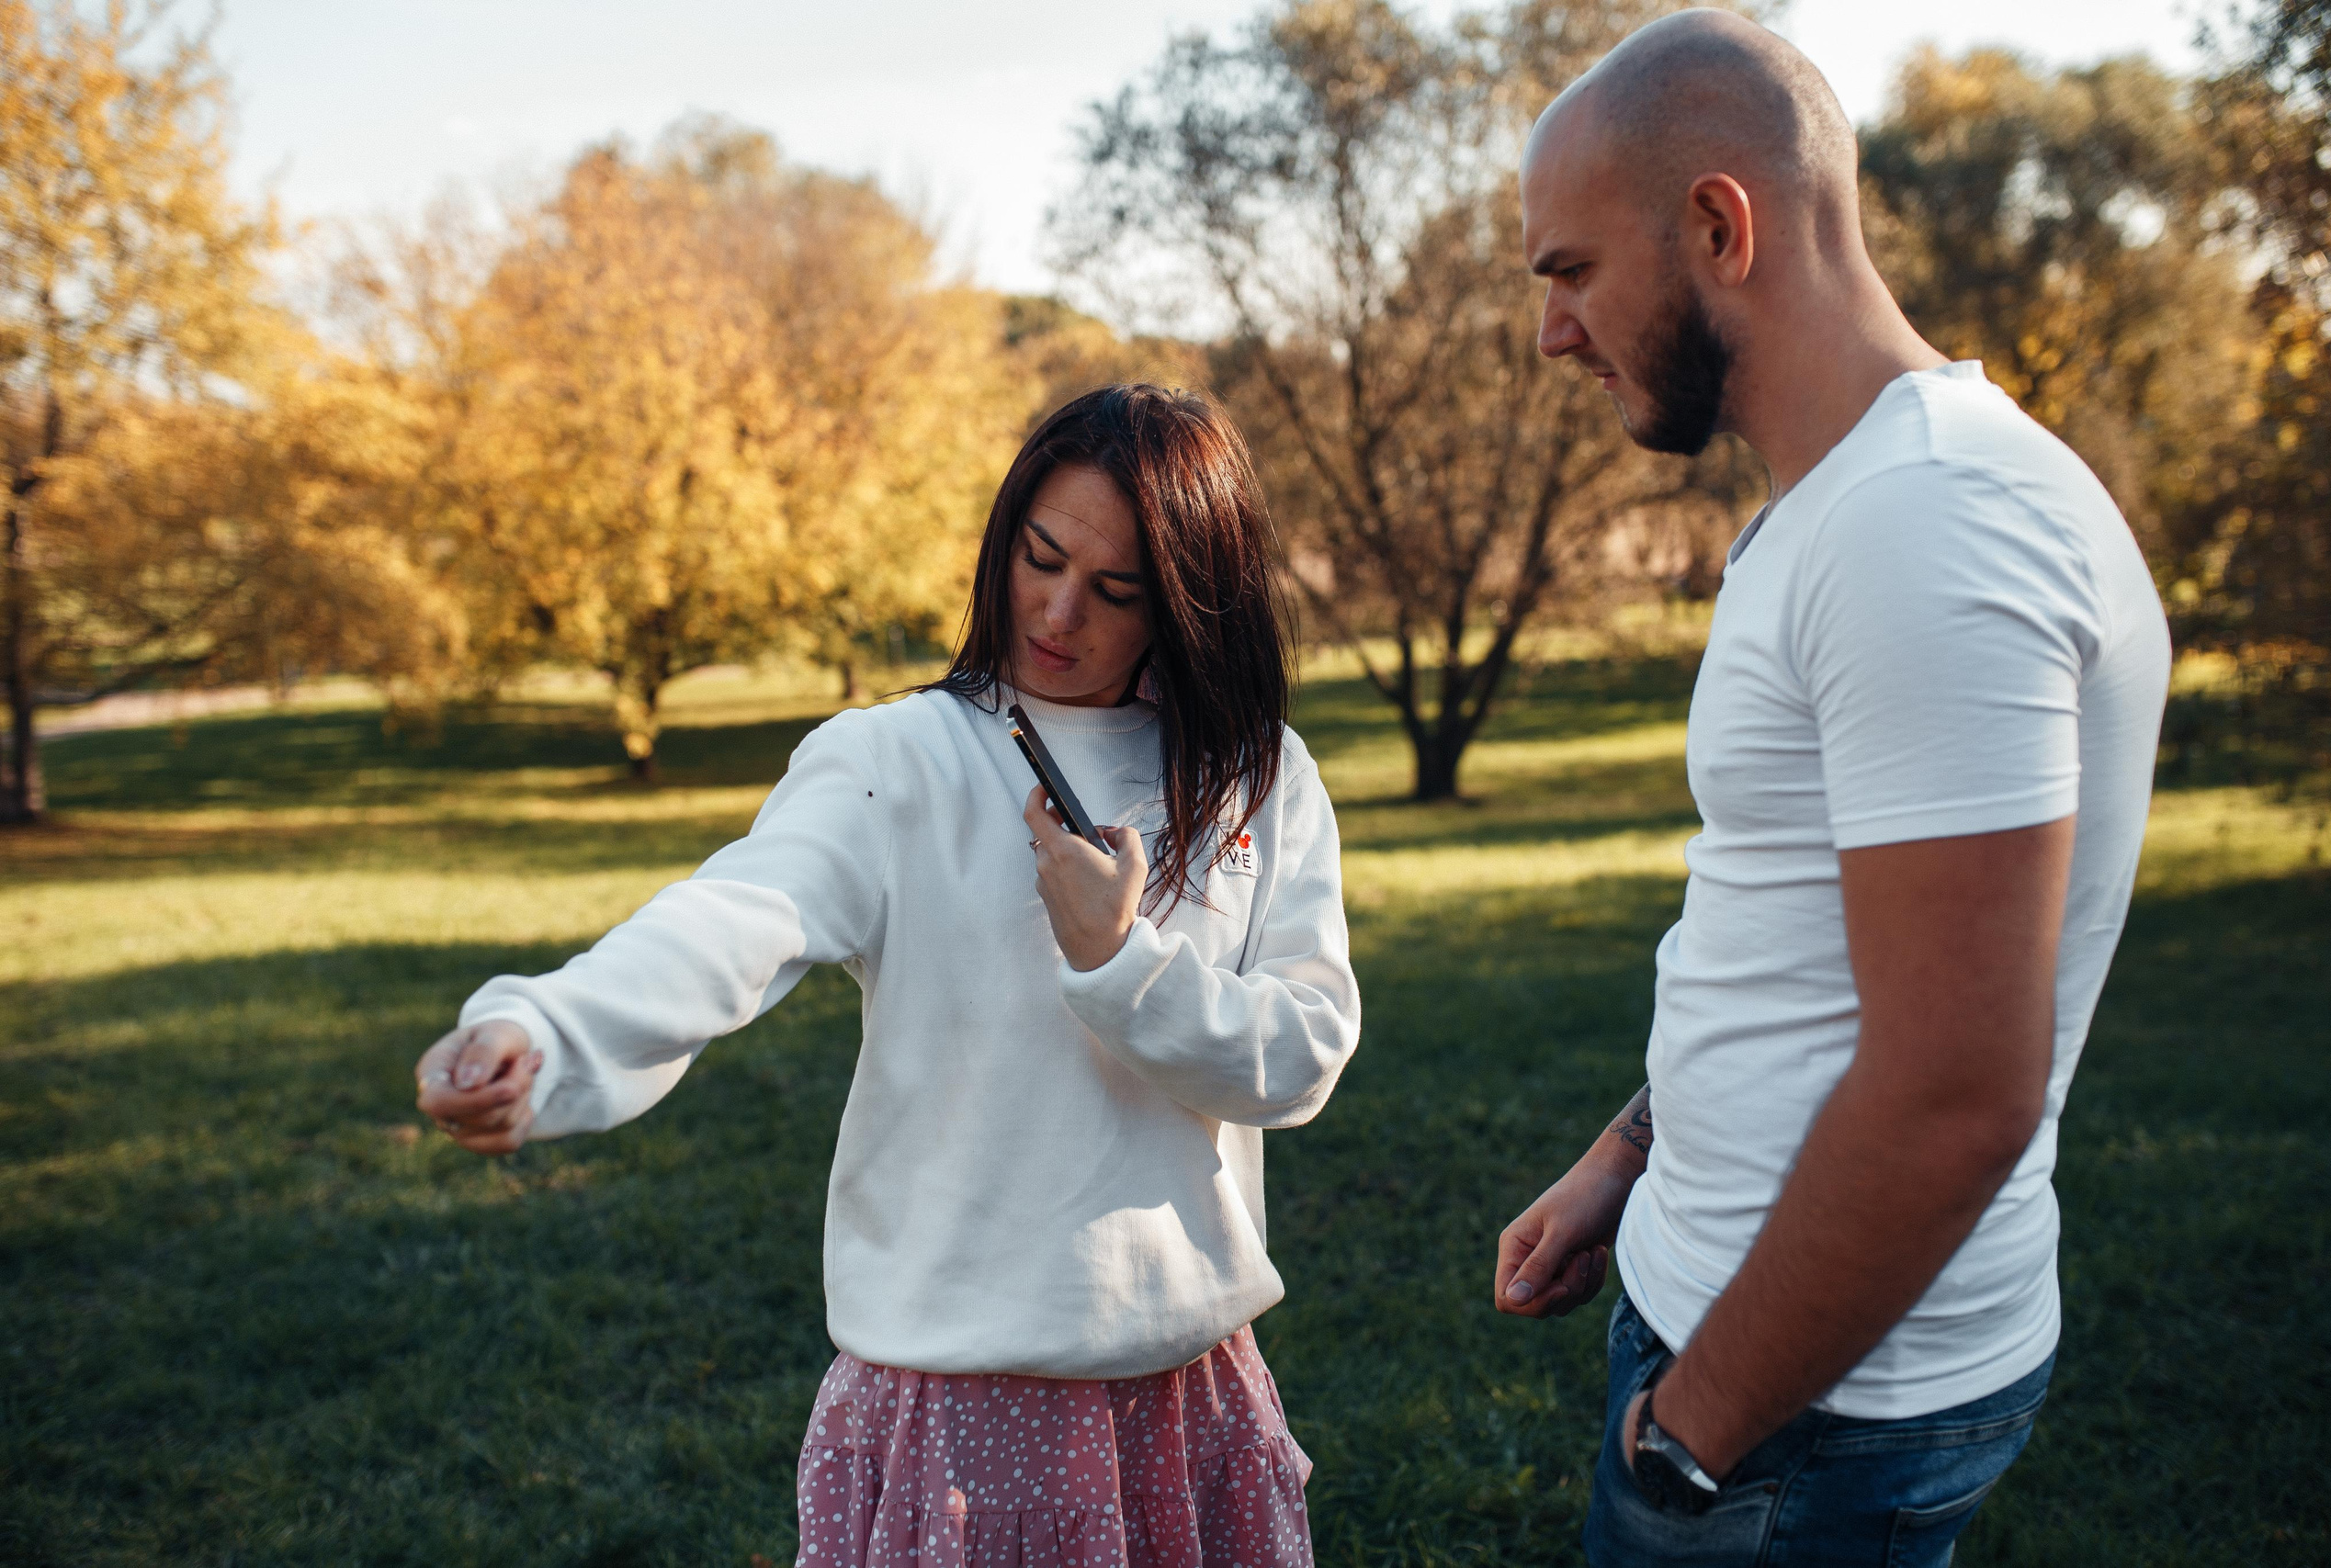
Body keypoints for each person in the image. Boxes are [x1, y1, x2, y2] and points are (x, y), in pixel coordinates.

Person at [413, 384, 1359, 1568]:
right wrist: (546, 1029)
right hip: (960, 1402)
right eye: (1040, 558)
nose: (1058, 613)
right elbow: (736, 918)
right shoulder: (894, 760)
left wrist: (1124, 966)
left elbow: (1304, 1053)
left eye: (1116, 592)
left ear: (1185, 605)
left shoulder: (1254, 777)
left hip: (1189, 1391)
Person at [1495, 11, 2171, 1565]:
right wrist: (1626, 1160)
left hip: (1796, 1416)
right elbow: (1794, 939)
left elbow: (1955, 1095)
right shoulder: (1852, 502)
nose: (1552, 334)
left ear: (1720, 227)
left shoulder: (1923, 524)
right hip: (1756, 1352)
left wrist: (1691, 1441)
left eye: (1571, 272)